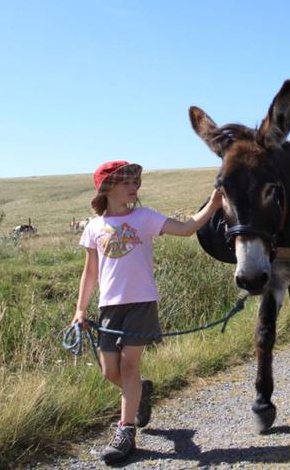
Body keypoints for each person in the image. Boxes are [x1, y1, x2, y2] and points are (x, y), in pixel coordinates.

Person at [72, 160, 223, 464]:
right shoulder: (94, 227)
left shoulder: (144, 217)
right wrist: (80, 310)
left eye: (136, 182)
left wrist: (213, 204)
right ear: (108, 187)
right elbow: (90, 273)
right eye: (127, 182)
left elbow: (186, 228)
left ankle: (125, 431)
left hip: (141, 303)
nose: (134, 187)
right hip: (109, 307)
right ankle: (140, 392)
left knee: (129, 365)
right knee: (108, 371)